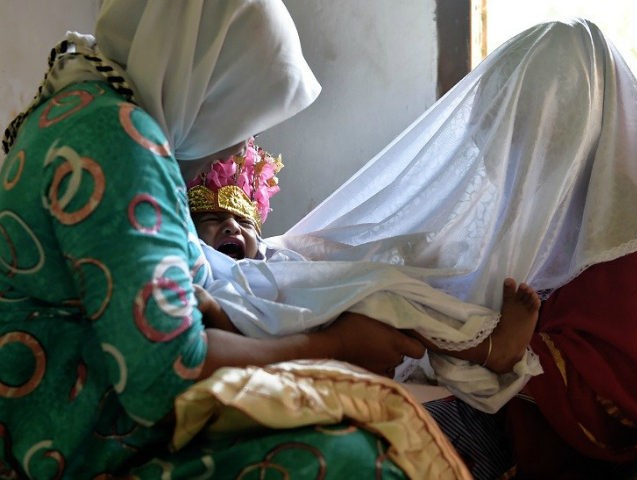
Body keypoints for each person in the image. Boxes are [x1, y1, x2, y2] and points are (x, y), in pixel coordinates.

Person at [0, 1, 465, 478]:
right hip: (72, 443)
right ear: (204, 80)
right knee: (360, 457)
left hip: (51, 418)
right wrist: (337, 346)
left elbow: (190, 300)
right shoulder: (121, 143)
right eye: (246, 119)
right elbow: (167, 374)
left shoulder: (86, 105)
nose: (244, 147)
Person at [260, 17, 637, 479]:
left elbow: (613, 401)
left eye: (524, 140)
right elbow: (460, 274)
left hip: (532, 440)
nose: (506, 162)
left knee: (327, 450)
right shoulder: (538, 204)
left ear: (572, 127)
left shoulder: (625, 243)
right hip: (484, 406)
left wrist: (512, 354)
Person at [187, 136, 542, 380]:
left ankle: (481, 346)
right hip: (265, 321)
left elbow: (301, 277)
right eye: (213, 221)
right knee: (379, 292)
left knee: (384, 287)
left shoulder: (272, 259)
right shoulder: (199, 258)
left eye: (243, 223)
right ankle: (489, 350)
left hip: (300, 316)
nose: (231, 228)